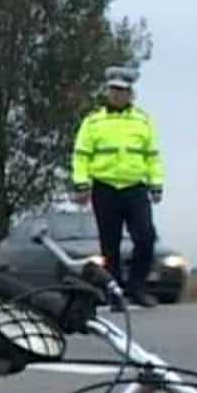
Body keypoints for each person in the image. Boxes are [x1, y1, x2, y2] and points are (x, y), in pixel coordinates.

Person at [71, 65, 165, 308]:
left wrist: (156, 184)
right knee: (109, 244)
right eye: (113, 90)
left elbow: (152, 155)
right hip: (105, 188)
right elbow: (81, 155)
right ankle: (114, 293)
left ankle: (137, 287)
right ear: (107, 92)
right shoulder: (93, 122)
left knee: (146, 237)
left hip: (135, 187)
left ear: (130, 93)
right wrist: (81, 183)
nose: (117, 94)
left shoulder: (142, 121)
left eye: (122, 90)